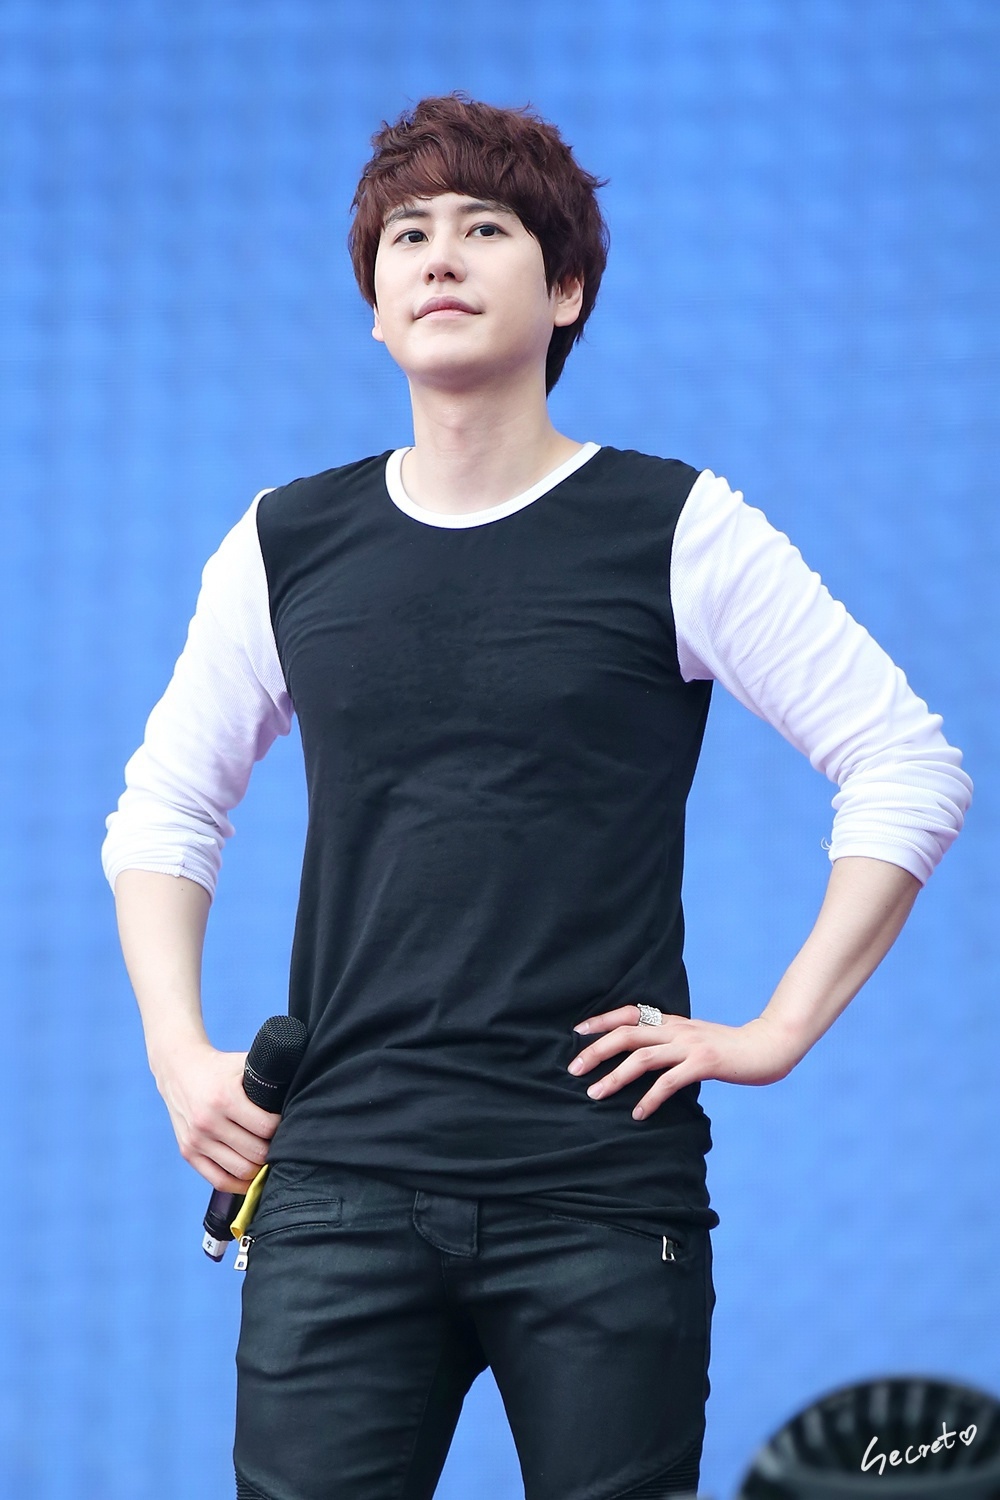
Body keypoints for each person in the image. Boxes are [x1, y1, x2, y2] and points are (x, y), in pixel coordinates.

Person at [102, 92, 972, 1500]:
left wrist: (777, 1031)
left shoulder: (674, 527)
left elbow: (907, 761)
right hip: (337, 1186)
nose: (439, 255)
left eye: (486, 228)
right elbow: (164, 811)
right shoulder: (285, 542)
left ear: (565, 290)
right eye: (407, 235)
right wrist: (175, 1051)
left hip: (598, 1195)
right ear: (376, 308)